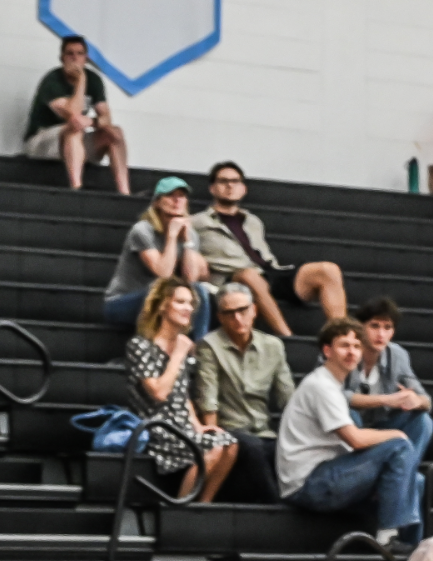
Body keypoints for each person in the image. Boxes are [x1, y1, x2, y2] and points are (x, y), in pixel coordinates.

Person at [278, 318, 423, 547]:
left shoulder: (332, 385)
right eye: (344, 345)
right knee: (400, 448)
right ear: (327, 350)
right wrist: (397, 435)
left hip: (325, 473)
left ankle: (412, 554)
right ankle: (387, 539)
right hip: (309, 483)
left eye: (356, 347)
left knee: (416, 480)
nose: (352, 352)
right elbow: (355, 440)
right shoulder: (321, 386)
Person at [191, 161, 347, 337]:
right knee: (249, 275)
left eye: (235, 181)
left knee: (328, 270)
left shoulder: (253, 221)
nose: (229, 186)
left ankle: (339, 337)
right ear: (212, 188)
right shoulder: (197, 222)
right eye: (223, 181)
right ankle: (288, 337)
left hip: (270, 271)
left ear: (244, 188)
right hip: (235, 279)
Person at [124, 279, 240, 502]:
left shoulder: (182, 345)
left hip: (182, 423)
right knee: (212, 450)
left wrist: (199, 426)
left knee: (230, 443)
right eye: (180, 302)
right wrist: (178, 354)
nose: (188, 308)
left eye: (190, 303)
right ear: (162, 306)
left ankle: (203, 503)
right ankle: (181, 506)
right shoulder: (140, 346)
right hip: (157, 425)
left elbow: (182, 393)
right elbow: (158, 393)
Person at [195, 281, 294, 503]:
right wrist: (214, 438)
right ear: (220, 317)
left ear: (254, 310)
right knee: (253, 448)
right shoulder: (209, 345)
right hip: (231, 430)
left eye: (243, 310)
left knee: (286, 449)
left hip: (264, 431)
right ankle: (278, 508)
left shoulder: (273, 346)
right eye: (229, 313)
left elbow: (288, 398)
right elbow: (207, 397)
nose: (238, 319)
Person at [104, 176, 212, 341]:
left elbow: (190, 280)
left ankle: (199, 349)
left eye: (181, 196)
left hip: (162, 299)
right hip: (122, 302)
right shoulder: (142, 230)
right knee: (161, 292)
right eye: (170, 196)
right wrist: (172, 236)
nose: (177, 201)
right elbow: (163, 274)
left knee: (198, 291)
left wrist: (188, 242)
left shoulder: (191, 235)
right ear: (157, 202)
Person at [22, 34, 129, 192]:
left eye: (79, 54)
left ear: (86, 58)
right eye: (70, 54)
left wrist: (92, 122)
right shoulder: (52, 80)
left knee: (115, 132)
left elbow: (106, 117)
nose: (75, 58)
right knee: (74, 128)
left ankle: (124, 192)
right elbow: (73, 114)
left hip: (73, 144)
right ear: (62, 58)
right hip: (41, 142)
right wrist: (81, 81)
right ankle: (76, 188)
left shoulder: (94, 80)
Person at [350, 297, 433, 468]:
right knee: (350, 415)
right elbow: (335, 397)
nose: (381, 334)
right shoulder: (347, 350)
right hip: (348, 426)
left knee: (423, 421)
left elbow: (426, 400)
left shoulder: (398, 355)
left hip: (380, 425)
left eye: (387, 328)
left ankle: (406, 472)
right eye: (374, 326)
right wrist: (387, 399)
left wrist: (416, 400)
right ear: (360, 327)